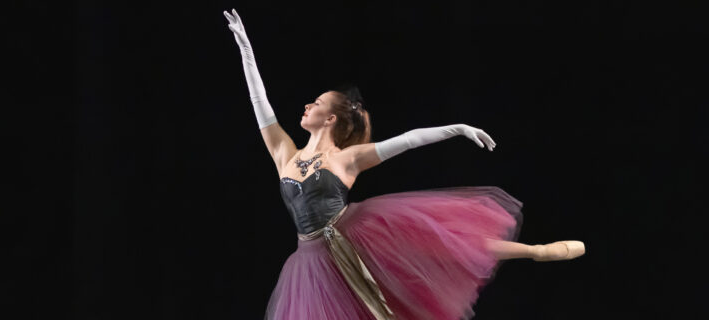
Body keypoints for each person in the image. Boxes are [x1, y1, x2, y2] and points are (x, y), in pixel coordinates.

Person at [223, 8, 585, 320]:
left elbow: (408, 140)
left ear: (330, 119)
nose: (306, 106)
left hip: (358, 236)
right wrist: (245, 50)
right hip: (311, 261)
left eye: (315, 103)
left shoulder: (346, 159)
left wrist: (457, 128)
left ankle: (537, 252)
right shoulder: (285, 153)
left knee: (441, 245)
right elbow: (260, 102)